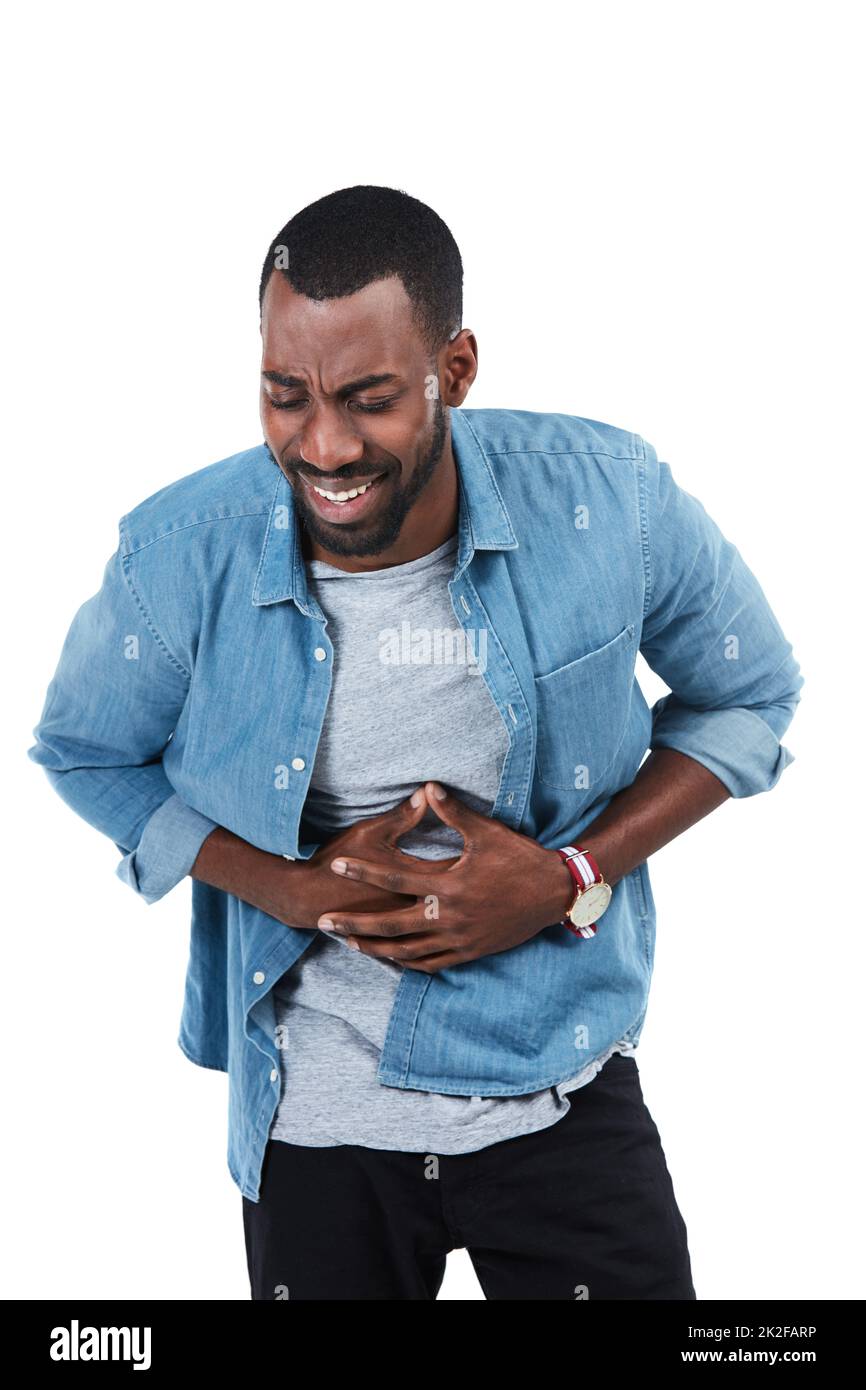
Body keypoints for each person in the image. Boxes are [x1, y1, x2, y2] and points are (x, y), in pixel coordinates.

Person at [27, 184, 804, 1300]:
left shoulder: (607, 499)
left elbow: (748, 694)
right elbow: (86, 748)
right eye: (283, 394)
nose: (324, 445)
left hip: (558, 1083)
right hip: (316, 1119)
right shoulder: (180, 554)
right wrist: (283, 889)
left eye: (369, 398)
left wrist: (564, 877)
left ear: (455, 369)